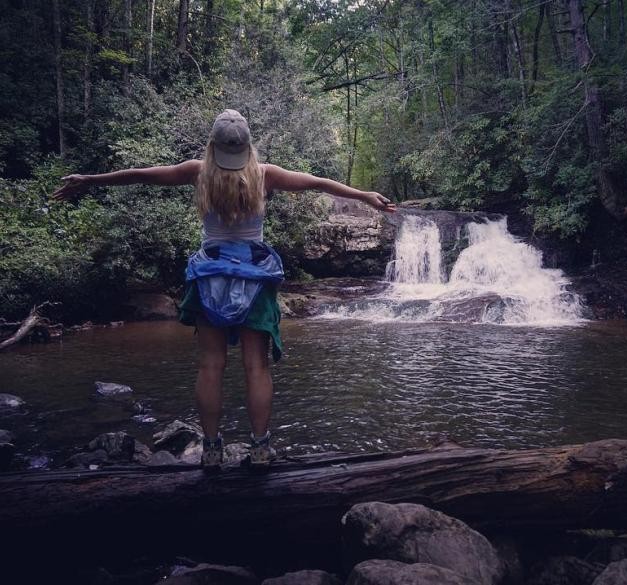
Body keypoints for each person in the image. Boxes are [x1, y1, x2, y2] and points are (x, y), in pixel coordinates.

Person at [52, 109, 396, 470]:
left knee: (211, 367)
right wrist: (364, 195)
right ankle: (260, 449)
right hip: (255, 279)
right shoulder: (266, 175)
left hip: (210, 277)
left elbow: (140, 176)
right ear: (248, 147)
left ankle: (212, 451)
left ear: (213, 147)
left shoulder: (197, 172)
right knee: (256, 368)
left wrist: (90, 179)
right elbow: (318, 182)